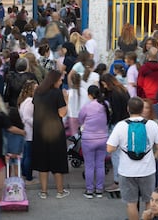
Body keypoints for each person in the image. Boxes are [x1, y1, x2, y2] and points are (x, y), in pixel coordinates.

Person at [107, 97, 158, 220]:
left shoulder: (121, 126)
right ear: (141, 109)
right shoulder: (152, 124)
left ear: (128, 109)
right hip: (147, 170)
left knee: (131, 203)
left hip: (126, 171)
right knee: (149, 202)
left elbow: (109, 148)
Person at [32, 70, 70, 199]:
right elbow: (62, 113)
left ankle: (44, 191)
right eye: (60, 80)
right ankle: (60, 191)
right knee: (57, 160)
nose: (61, 82)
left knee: (43, 162)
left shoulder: (37, 92)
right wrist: (66, 100)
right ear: (54, 80)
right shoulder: (57, 93)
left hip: (39, 130)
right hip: (55, 130)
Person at [78, 85, 110, 199]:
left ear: (89, 95)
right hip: (103, 138)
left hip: (88, 139)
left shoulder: (87, 107)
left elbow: (80, 119)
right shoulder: (105, 104)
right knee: (100, 165)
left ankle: (90, 190)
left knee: (89, 166)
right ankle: (99, 190)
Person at [100, 73, 130, 191]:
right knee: (123, 153)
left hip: (117, 125)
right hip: (126, 123)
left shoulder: (114, 94)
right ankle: (124, 180)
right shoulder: (123, 90)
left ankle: (117, 182)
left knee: (115, 154)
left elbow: (114, 112)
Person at [18, 80, 38, 184]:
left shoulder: (23, 100)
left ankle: (25, 173)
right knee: (28, 155)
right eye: (35, 88)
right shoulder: (30, 101)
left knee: (25, 154)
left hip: (25, 130)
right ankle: (28, 176)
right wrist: (37, 125)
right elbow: (27, 117)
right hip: (29, 131)